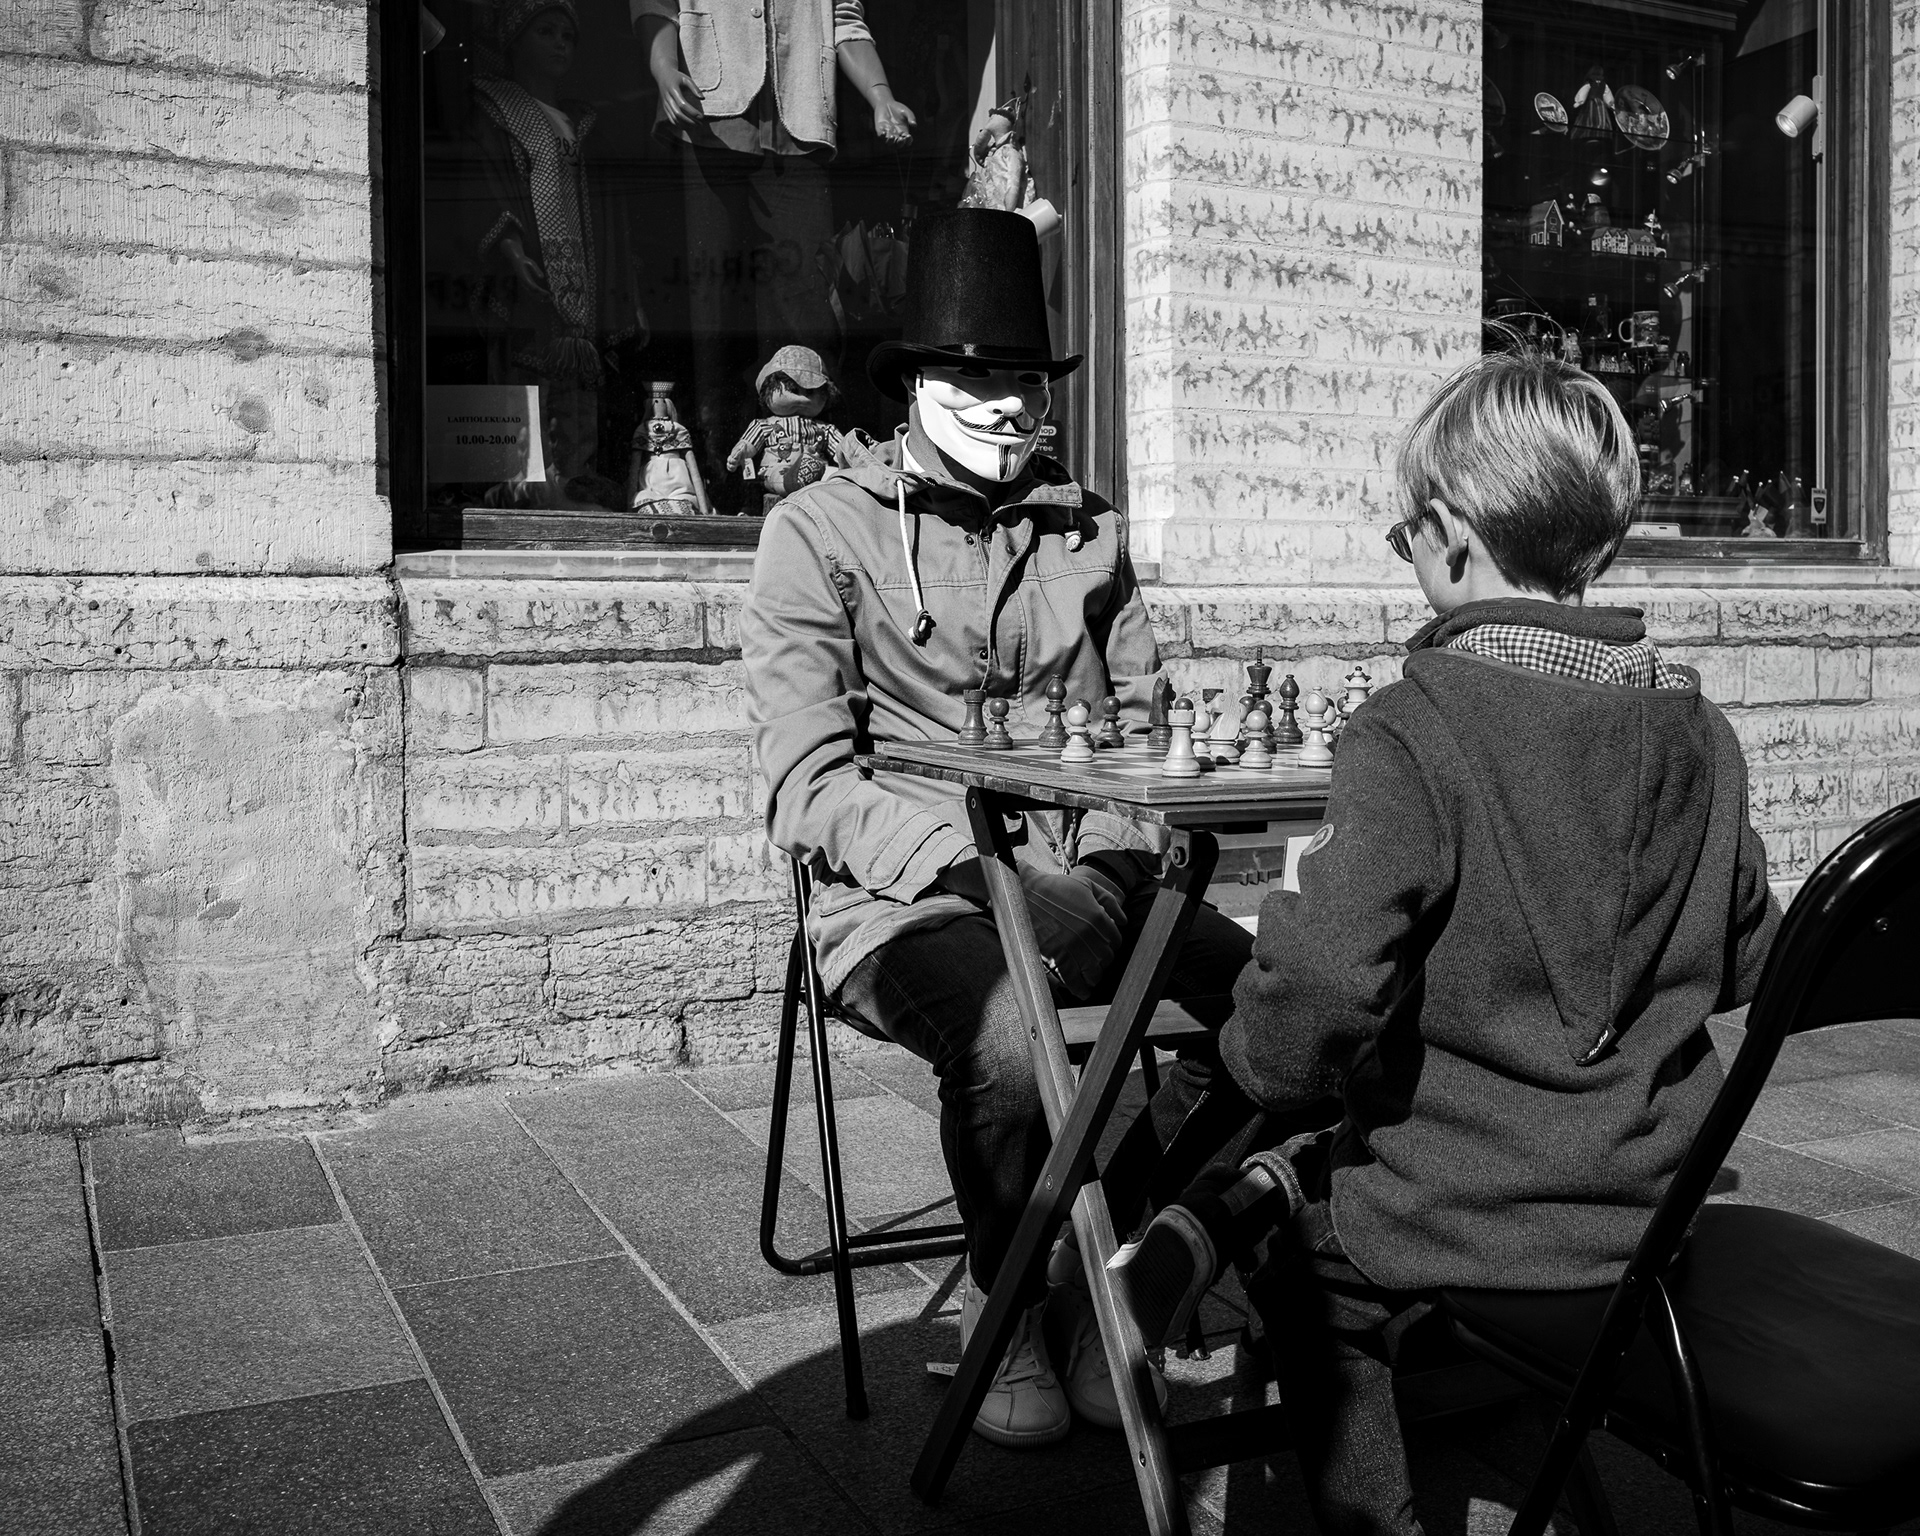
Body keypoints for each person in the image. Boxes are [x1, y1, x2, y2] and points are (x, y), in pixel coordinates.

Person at [1110, 349, 1781, 1534]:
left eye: (1401, 532)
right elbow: (1747, 963)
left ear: (1453, 533)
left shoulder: (1413, 729)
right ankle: (1249, 1200)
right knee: (1355, 1128)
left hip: (1462, 1203)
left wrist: (1268, 1065)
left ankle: (1372, 1512)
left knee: (1312, 1269)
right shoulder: (1702, 730)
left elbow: (1307, 1008)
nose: (1403, 552)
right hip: (1656, 1202)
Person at [741, 208, 1264, 1448]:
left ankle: (1112, 1262)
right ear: (915, 383)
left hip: (1090, 873)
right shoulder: (814, 532)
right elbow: (804, 778)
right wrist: (979, 876)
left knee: (1291, 1007)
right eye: (972, 374)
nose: (1004, 400)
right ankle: (1015, 1298)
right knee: (1018, 1044)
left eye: (1023, 377)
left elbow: (1141, 734)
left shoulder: (1090, 533)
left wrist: (1104, 868)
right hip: (902, 893)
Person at [633, 0, 915, 503]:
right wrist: (663, 66)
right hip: (708, 116)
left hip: (800, 121)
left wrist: (880, 95)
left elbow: (844, 16)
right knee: (712, 307)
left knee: (805, 305)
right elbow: (659, 4)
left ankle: (809, 483)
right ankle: (716, 480)